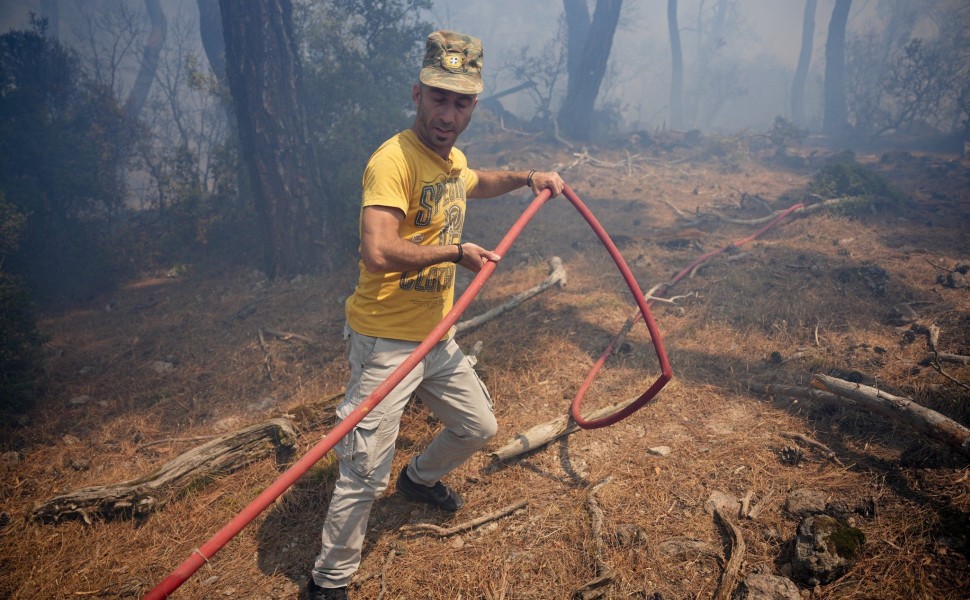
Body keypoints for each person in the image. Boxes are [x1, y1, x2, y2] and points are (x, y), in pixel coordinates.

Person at [308, 30, 564, 600]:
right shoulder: (393, 161)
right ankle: (328, 581)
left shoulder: (451, 162)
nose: (448, 114)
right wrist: (454, 251)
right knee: (363, 472)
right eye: (439, 98)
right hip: (385, 341)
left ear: (474, 104)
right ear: (417, 93)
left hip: (435, 338)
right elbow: (377, 251)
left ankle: (419, 479)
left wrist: (528, 179)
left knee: (479, 426)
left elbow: (475, 183)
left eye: (462, 102)